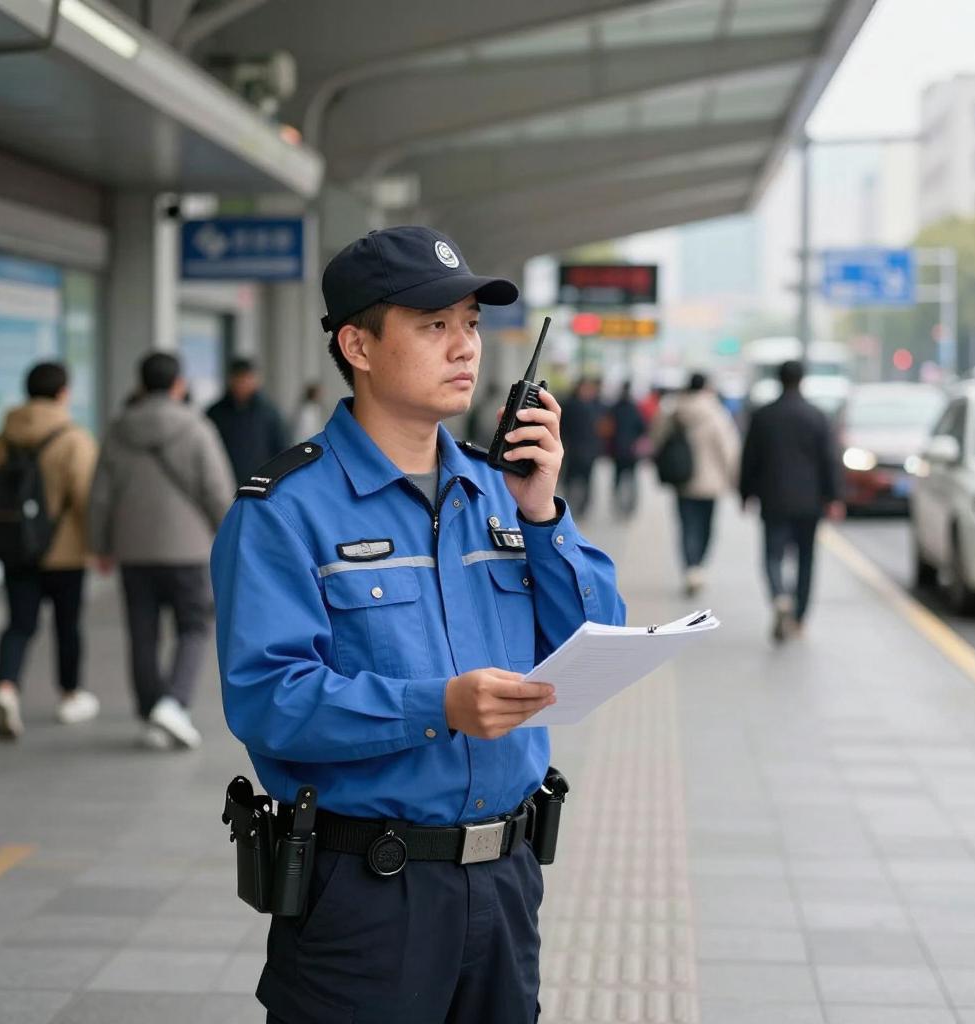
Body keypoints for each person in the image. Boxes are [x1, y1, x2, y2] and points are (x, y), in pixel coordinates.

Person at [211, 225, 626, 1024]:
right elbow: (269, 700)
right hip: (368, 895)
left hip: (505, 886)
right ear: (358, 344)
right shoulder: (284, 511)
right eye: (434, 326)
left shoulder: (498, 490)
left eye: (469, 323)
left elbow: (594, 641)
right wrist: (437, 705)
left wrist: (543, 514)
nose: (464, 347)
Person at [89, 353, 234, 749]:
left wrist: (100, 545)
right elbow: (216, 491)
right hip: (188, 551)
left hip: (134, 551)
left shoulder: (119, 430)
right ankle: (174, 704)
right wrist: (231, 537)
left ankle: (152, 712)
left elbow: (101, 495)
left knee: (142, 632)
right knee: (194, 626)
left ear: (140, 384)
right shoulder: (197, 427)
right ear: (178, 385)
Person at [0, 362, 99, 739]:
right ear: (63, 392)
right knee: (67, 626)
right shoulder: (74, 438)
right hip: (64, 552)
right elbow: (85, 498)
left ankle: (6, 687)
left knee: (19, 624)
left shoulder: (6, 435)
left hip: (19, 550)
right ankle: (69, 695)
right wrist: (99, 544)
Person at [739, 359, 844, 642]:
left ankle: (779, 597)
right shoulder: (817, 416)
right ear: (802, 380)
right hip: (809, 502)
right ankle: (798, 617)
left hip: (773, 499)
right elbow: (829, 460)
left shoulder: (763, 416)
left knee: (772, 555)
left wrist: (745, 492)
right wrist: (833, 496)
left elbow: (749, 459)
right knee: (806, 559)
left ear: (778, 379)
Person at [650, 372, 741, 596]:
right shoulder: (716, 413)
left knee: (686, 526)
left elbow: (656, 439)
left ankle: (690, 567)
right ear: (706, 387)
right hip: (711, 484)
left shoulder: (673, 410)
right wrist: (735, 480)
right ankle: (698, 566)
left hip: (683, 480)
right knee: (706, 527)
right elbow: (728, 449)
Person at [206, 357, 290, 482]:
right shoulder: (215, 413)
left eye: (247, 379)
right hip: (224, 483)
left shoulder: (269, 413)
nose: (243, 384)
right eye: (239, 379)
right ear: (230, 380)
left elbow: (281, 449)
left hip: (260, 484)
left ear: (256, 380)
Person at [559, 377, 605, 518]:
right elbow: (562, 426)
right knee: (569, 478)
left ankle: (584, 507)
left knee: (587, 480)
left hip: (589, 450)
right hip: (572, 449)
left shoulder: (596, 406)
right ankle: (568, 504)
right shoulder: (569, 405)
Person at [607, 381, 645, 518]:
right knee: (632, 478)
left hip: (617, 449)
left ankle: (616, 501)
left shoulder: (614, 408)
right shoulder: (635, 408)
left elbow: (607, 428)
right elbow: (642, 427)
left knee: (617, 477)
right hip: (631, 450)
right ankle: (630, 505)